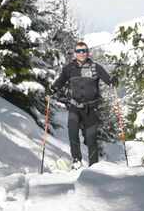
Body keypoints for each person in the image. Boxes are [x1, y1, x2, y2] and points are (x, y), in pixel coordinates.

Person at [50, 41, 117, 169]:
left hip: (91, 108)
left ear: (87, 52)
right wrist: (52, 89)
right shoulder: (69, 68)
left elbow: (108, 80)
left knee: (91, 138)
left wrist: (112, 81)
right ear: (75, 53)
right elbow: (60, 81)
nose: (81, 53)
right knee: (72, 131)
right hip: (75, 107)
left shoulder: (95, 67)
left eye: (84, 51)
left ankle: (94, 166)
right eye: (79, 51)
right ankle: (76, 160)